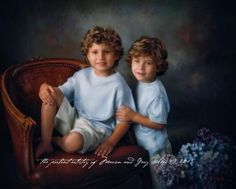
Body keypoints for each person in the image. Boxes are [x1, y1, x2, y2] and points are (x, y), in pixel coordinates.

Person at [35, 26, 135, 159]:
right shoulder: (81, 75)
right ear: (87, 55)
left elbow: (125, 120)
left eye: (106, 52)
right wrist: (44, 87)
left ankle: (56, 140)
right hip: (75, 119)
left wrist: (110, 142)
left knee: (71, 143)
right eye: (95, 52)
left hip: (97, 129)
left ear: (116, 55)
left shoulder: (119, 84)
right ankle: (45, 142)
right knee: (50, 94)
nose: (101, 57)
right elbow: (59, 92)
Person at [116, 36, 172, 188]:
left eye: (148, 63)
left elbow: (159, 123)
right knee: (147, 181)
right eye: (137, 61)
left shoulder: (157, 93)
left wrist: (133, 116)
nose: (140, 68)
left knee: (161, 183)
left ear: (159, 66)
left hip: (156, 148)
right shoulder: (143, 82)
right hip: (143, 144)